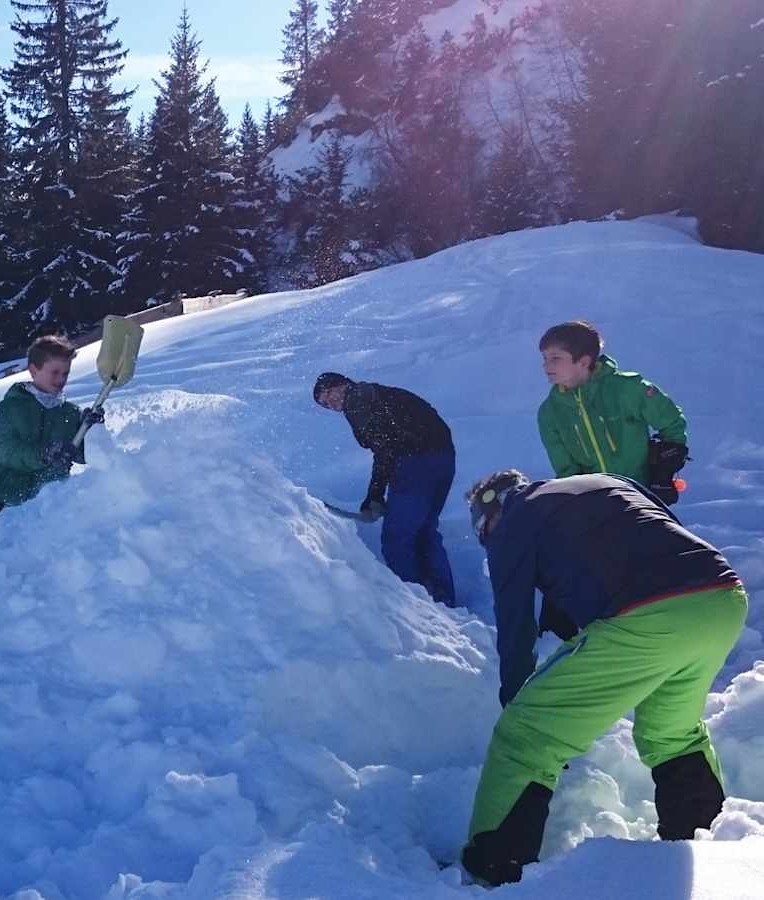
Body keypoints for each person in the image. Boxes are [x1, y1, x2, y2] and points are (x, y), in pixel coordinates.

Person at [461, 469, 747, 886]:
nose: (487, 540)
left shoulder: (514, 520)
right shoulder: (603, 482)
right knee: (673, 733)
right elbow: (658, 534)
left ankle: (492, 870)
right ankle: (712, 849)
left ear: (492, 509)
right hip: (719, 596)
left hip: (648, 612)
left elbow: (515, 623)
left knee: (526, 734)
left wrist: (519, 700)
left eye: (483, 532)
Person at [312, 372, 457, 606]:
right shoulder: (377, 393)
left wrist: (375, 496)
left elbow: (385, 449)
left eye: (328, 395)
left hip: (415, 463)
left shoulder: (357, 400)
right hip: (444, 457)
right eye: (325, 405)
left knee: (396, 539)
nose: (331, 404)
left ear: (343, 384)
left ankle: (417, 608)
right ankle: (445, 601)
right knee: (425, 530)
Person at [537, 320, 689, 503]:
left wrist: (663, 472)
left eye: (555, 358)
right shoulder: (550, 412)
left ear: (583, 361)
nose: (546, 366)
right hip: (599, 504)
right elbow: (566, 469)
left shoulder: (627, 388)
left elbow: (672, 422)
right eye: (544, 358)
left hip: (642, 493)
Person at [0, 335, 104, 514]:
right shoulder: (12, 406)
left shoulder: (69, 412)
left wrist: (91, 430)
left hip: (48, 502)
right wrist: (43, 455)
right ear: (33, 370)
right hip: (4, 498)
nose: (61, 379)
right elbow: (3, 449)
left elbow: (81, 454)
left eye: (65, 373)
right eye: (54, 372)